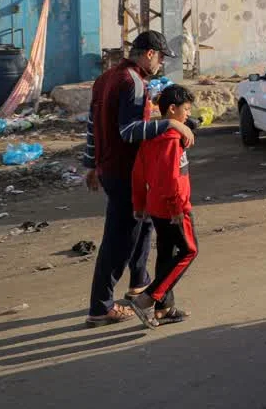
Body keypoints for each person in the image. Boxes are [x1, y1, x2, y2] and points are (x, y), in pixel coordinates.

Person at [83, 31, 195, 327]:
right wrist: (169, 123)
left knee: (143, 226)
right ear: (149, 54)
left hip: (111, 169)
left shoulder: (105, 78)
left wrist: (91, 164)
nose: (160, 65)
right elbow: (128, 131)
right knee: (119, 240)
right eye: (160, 58)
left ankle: (139, 283)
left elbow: (93, 125)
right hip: (122, 173)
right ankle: (100, 307)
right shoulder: (132, 83)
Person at [129, 85, 199, 328]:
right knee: (189, 251)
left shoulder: (151, 137)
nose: (188, 114)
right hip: (173, 208)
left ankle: (164, 308)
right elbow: (173, 179)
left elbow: (138, 174)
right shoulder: (171, 140)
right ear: (172, 109)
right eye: (186, 109)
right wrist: (178, 208)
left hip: (156, 207)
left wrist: (139, 203)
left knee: (167, 254)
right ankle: (148, 298)